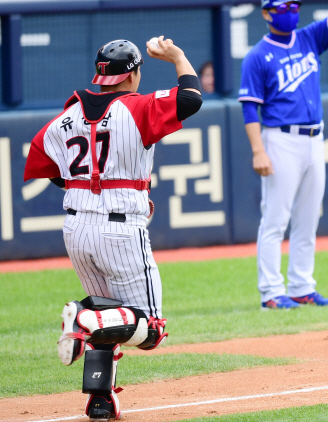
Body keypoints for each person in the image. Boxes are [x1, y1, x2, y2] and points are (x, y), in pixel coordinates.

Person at [23, 37, 202, 420]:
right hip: (119, 230)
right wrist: (178, 56)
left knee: (109, 316)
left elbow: (42, 161)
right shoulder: (136, 106)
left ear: (100, 74)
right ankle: (82, 316)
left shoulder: (65, 117)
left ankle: (100, 400)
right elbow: (191, 98)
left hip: (76, 228)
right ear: (133, 74)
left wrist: (87, 192)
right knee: (149, 329)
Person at [238, 0, 328, 309]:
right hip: (279, 138)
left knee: (308, 217)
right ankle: (271, 292)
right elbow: (249, 107)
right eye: (281, 7)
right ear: (266, 13)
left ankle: (301, 287)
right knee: (275, 219)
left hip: (314, 137)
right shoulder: (257, 56)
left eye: (294, 5)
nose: (290, 11)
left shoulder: (308, 37)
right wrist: (258, 150)